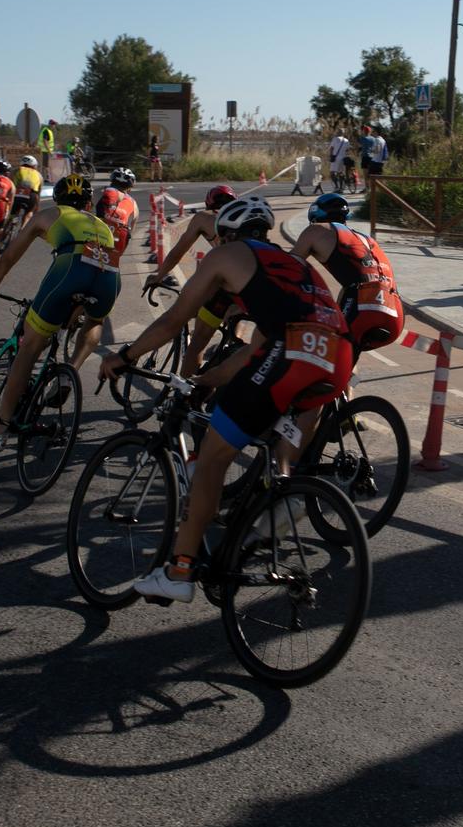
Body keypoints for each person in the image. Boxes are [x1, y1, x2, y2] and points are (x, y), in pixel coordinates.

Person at [101, 196, 354, 602]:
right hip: (336, 356)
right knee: (277, 444)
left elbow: (172, 319)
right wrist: (208, 379)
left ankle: (179, 571)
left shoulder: (227, 255)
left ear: (227, 235)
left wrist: (125, 356)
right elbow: (256, 350)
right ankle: (279, 501)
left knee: (213, 459)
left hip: (289, 353)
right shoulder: (296, 265)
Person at [0, 172, 120, 453]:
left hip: (71, 270)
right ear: (88, 204)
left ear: (58, 199)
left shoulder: (47, 215)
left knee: (29, 349)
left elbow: (7, 259)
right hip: (109, 274)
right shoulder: (103, 224)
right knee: (94, 320)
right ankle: (69, 371)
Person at [290, 192, 404, 355]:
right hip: (396, 312)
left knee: (326, 359)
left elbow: (287, 267)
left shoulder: (315, 230)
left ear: (315, 216)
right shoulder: (367, 239)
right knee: (345, 360)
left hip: (361, 306)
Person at [145, 184, 240, 377]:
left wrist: (159, 275)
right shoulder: (242, 217)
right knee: (235, 313)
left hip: (225, 283)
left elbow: (179, 251)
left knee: (197, 342)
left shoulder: (204, 218)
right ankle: (233, 342)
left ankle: (185, 396)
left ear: (209, 203)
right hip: (252, 281)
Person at [96, 167, 140, 262]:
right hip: (117, 247)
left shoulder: (101, 192)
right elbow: (130, 232)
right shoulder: (134, 204)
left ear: (112, 181)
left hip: (95, 242)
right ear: (129, 188)